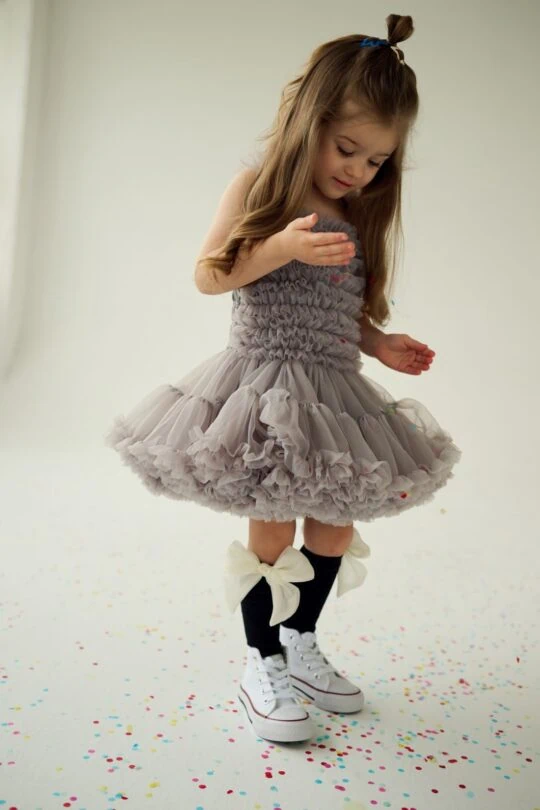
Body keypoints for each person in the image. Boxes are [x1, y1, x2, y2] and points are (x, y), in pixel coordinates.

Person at [105, 14, 462, 744]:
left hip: (334, 393)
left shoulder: (356, 216)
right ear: (310, 118)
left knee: (334, 523)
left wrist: (380, 342)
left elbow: (342, 310)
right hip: (262, 389)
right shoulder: (259, 188)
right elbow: (210, 275)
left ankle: (300, 639)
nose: (358, 171)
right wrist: (278, 245)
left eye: (376, 162)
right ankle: (259, 655)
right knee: (272, 517)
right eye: (348, 148)